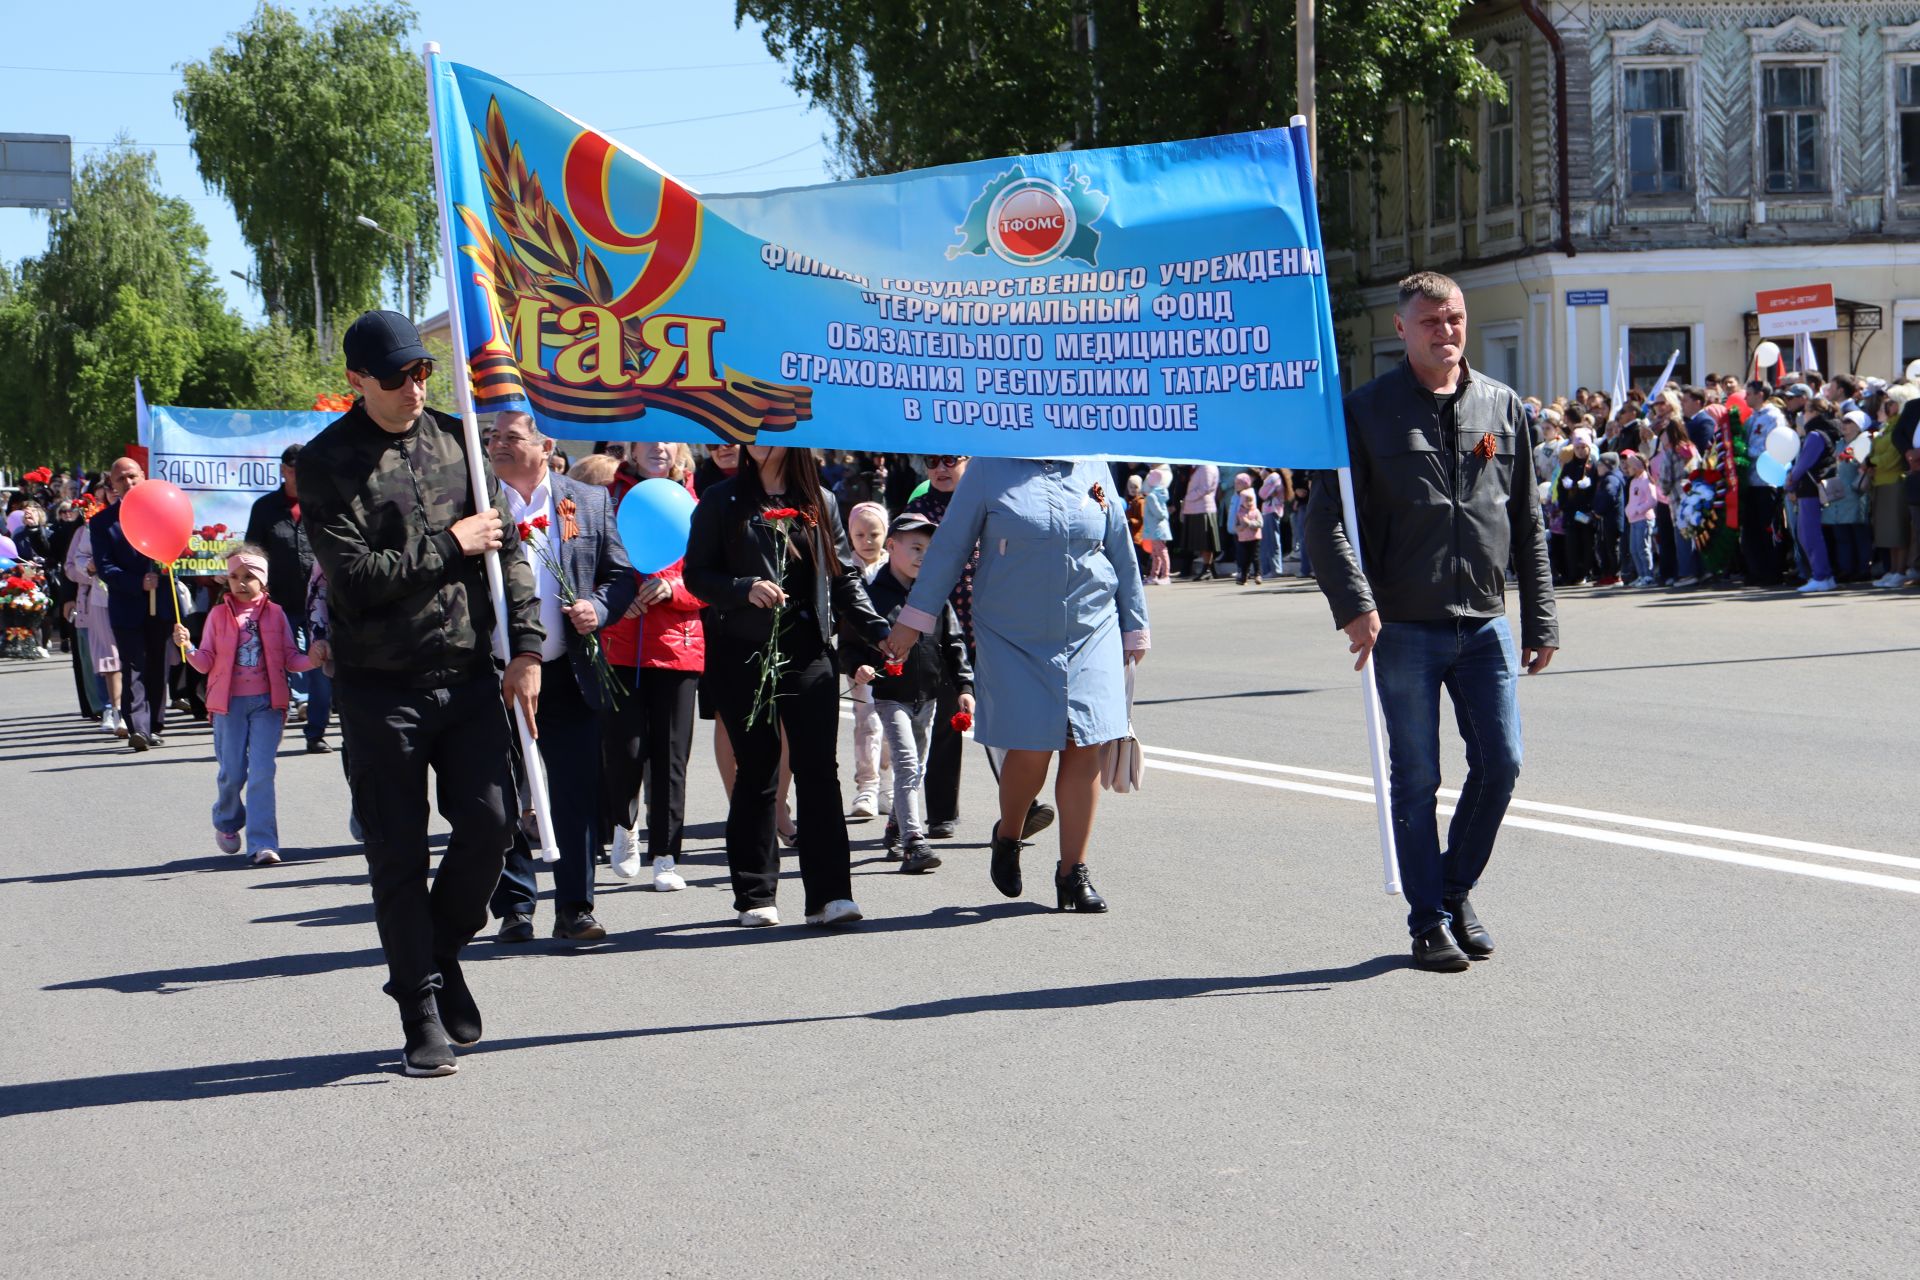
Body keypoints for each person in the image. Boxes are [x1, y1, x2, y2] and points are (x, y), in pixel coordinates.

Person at [298, 309, 544, 1079]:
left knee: (493, 825)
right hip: (381, 691)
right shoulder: (325, 461)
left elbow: (507, 554)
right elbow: (358, 582)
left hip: (467, 677)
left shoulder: (455, 438)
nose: (415, 387)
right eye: (399, 377)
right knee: (396, 855)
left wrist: (529, 647)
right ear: (357, 381)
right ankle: (421, 1010)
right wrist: (450, 545)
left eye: (422, 372)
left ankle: (435, 951)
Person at [1302, 270, 1557, 973]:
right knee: (1416, 778)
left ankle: (1452, 887)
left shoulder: (1502, 407)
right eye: (1431, 322)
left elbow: (1527, 521)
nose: (1446, 332)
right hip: (1404, 627)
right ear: (1402, 329)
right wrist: (1355, 608)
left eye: (1455, 319)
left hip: (1484, 623)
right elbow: (1323, 522)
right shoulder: (1364, 411)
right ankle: (1427, 922)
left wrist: (1541, 619)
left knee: (1501, 764)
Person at [881, 456, 1149, 914]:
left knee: (1084, 743)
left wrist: (1134, 625)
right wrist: (912, 621)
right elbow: (948, 549)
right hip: (1012, 629)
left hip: (1091, 624)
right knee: (1031, 747)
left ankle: (1073, 872)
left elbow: (1120, 548)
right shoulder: (989, 468)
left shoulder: (1093, 464)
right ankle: (1009, 835)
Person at [684, 444, 890, 927]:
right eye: (748, 429)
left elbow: (843, 579)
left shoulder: (821, 500)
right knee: (757, 771)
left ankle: (831, 896)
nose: (755, 438)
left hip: (809, 649)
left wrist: (878, 629)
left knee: (819, 770)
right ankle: (755, 895)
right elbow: (697, 575)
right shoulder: (721, 500)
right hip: (741, 651)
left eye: (767, 427)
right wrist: (742, 589)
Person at [485, 410, 637, 943]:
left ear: (546, 444)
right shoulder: (475, 502)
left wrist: (598, 606)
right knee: (498, 793)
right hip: (494, 673)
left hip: (567, 671)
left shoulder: (585, 500)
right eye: (493, 437)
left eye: (512, 437)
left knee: (574, 791)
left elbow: (620, 576)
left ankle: (575, 906)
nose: (499, 445)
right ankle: (515, 906)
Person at [601, 441, 704, 893]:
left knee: (670, 757)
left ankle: (666, 854)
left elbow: (712, 579)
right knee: (624, 751)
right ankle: (624, 828)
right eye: (648, 439)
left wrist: (675, 589)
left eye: (667, 438)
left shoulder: (699, 507)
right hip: (621, 645)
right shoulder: (605, 501)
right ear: (632, 449)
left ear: (678, 449)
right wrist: (616, 605)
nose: (657, 446)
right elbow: (591, 568)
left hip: (679, 647)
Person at [172, 546, 315, 866]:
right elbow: (205, 662)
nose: (240, 582)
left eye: (248, 576)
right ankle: (226, 820)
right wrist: (188, 646)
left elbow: (291, 658)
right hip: (228, 706)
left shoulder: (276, 614)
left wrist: (313, 659)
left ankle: (263, 842)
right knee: (232, 774)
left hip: (268, 704)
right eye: (235, 576)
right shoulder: (218, 615)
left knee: (263, 772)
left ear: (262, 580)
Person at [853, 512, 975, 874]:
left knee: (916, 768)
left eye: (929, 548)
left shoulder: (934, 594)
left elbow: (954, 643)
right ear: (891, 547)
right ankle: (913, 843)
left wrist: (965, 686)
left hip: (930, 697)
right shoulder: (871, 596)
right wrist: (858, 665)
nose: (923, 555)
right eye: (915, 547)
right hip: (891, 695)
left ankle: (895, 825)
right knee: (907, 766)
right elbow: (851, 642)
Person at [245, 443, 332, 753]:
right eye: (294, 470)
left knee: (320, 666)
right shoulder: (265, 508)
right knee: (274, 667)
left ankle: (316, 731)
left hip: (317, 603)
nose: (299, 476)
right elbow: (252, 552)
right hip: (277, 602)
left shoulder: (320, 504)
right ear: (283, 471)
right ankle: (268, 729)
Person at [89, 456, 172, 751]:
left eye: (133, 476)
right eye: (121, 479)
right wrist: (137, 582)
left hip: (160, 603)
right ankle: (139, 727)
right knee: (133, 665)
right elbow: (105, 566)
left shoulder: (163, 511)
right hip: (127, 606)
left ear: (143, 476)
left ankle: (155, 723)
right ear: (113, 484)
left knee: (157, 665)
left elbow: (179, 544)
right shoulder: (102, 523)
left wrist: (167, 565)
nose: (129, 483)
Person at [843, 501, 892, 822]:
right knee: (868, 723)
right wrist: (853, 663)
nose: (867, 540)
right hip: (860, 663)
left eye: (874, 533)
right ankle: (867, 785)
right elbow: (845, 627)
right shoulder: (846, 571)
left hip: (893, 659)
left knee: (894, 726)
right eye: (859, 534)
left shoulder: (896, 567)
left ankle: (889, 783)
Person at [1787, 401, 1840, 593]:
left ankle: (1821, 575)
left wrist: (1790, 482)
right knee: (1809, 533)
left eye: (1805, 411)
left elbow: (1803, 464)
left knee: (1808, 534)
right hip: (1815, 486)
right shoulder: (1827, 431)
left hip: (1810, 488)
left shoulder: (1816, 435)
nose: (1802, 415)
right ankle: (1823, 575)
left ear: (1814, 413)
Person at [1869, 387, 1912, 585]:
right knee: (1887, 530)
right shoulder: (1887, 426)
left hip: (1894, 480)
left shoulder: (1899, 427)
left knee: (1898, 529)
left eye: (1892, 402)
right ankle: (1893, 569)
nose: (1887, 406)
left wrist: (1873, 461)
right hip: (1881, 481)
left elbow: (1894, 456)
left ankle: (1900, 570)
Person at [1180, 460, 1221, 580]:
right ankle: (1210, 567)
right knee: (1205, 543)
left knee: (1205, 543)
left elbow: (1205, 488)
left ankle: (1207, 568)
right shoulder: (1204, 466)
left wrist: (1187, 498)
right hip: (1198, 508)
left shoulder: (1207, 467)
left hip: (1202, 509)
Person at [1622, 452, 1658, 587]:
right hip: (1634, 520)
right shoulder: (1634, 482)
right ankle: (1641, 575)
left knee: (1643, 548)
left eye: (1630, 466)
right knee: (1634, 549)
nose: (1628, 469)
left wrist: (1638, 509)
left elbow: (1652, 501)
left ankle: (1648, 575)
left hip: (1644, 519)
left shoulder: (1646, 480)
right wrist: (1629, 510)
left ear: (1637, 467)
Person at [1141, 465, 1173, 584]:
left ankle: (1165, 575)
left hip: (1156, 528)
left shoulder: (1152, 497)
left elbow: (1159, 513)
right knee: (1156, 553)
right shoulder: (1158, 495)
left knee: (1161, 552)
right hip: (1157, 528)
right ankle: (1154, 575)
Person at [1230, 471, 1263, 585]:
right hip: (1242, 535)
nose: (1236, 485)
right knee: (1243, 557)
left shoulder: (1254, 509)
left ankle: (1257, 574)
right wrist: (1237, 527)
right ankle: (1243, 576)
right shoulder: (1236, 497)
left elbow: (1259, 522)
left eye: (1238, 483)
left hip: (1253, 536)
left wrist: (1248, 523)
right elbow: (1236, 518)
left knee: (1255, 556)